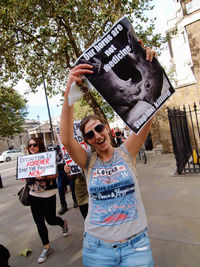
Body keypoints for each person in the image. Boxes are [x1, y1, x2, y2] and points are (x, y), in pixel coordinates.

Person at [60, 45, 156, 267]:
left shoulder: (127, 152)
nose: (96, 135)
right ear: (87, 141)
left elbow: (149, 112)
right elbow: (66, 139)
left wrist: (148, 62)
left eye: (99, 128)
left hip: (136, 249)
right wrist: (70, 90)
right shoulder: (87, 162)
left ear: (107, 129)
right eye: (90, 134)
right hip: (97, 251)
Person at [26, 137, 68, 264]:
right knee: (39, 222)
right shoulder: (27, 160)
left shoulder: (48, 157)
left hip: (48, 194)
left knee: (50, 219)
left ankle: (63, 223)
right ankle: (47, 247)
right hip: (33, 195)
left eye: (34, 144)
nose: (32, 147)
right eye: (30, 145)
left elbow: (55, 175)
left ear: (39, 145)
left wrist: (43, 176)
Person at [56, 145, 78, 215]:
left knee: (72, 185)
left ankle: (75, 200)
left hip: (69, 167)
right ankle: (63, 205)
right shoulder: (55, 148)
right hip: (60, 169)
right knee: (60, 187)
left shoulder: (67, 144)